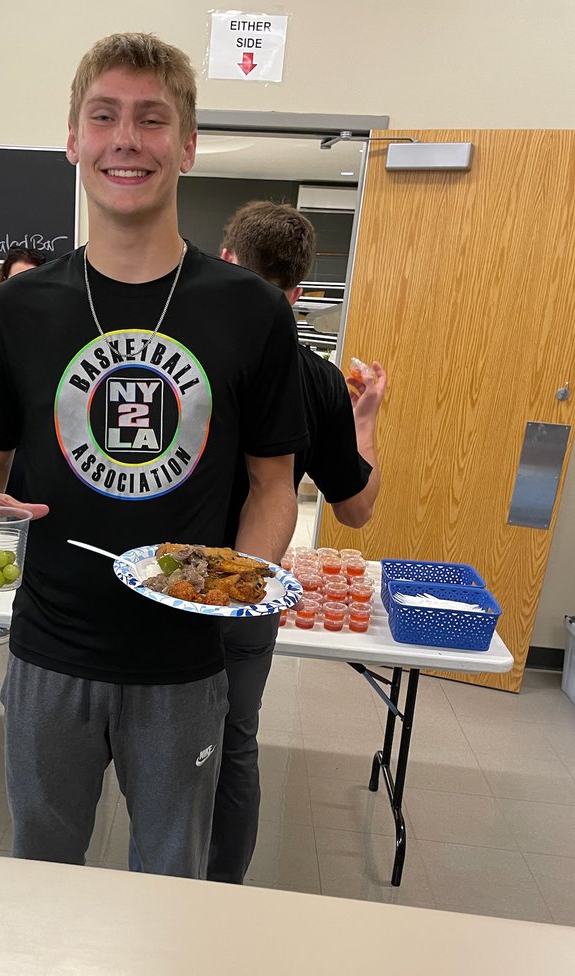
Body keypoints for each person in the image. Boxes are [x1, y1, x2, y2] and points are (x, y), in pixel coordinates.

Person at [0, 33, 307, 879]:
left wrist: (237, 586)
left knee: (171, 886)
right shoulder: (12, 314)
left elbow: (273, 488)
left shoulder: (252, 314)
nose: (125, 139)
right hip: (48, 653)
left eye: (151, 118)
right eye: (103, 117)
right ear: (73, 140)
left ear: (187, 144)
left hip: (182, 667)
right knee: (41, 874)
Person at [209, 200, 387, 884]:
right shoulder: (314, 378)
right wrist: (365, 418)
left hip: (164, 581)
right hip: (249, 590)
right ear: (301, 287)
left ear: (227, 259)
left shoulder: (187, 350)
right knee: (234, 747)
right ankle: (221, 892)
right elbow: (358, 509)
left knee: (149, 731)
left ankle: (150, 875)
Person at [0, 247, 46, 646]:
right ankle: (3, 614)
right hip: (11, 456)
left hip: (41, 458)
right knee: (5, 536)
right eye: (14, 281)